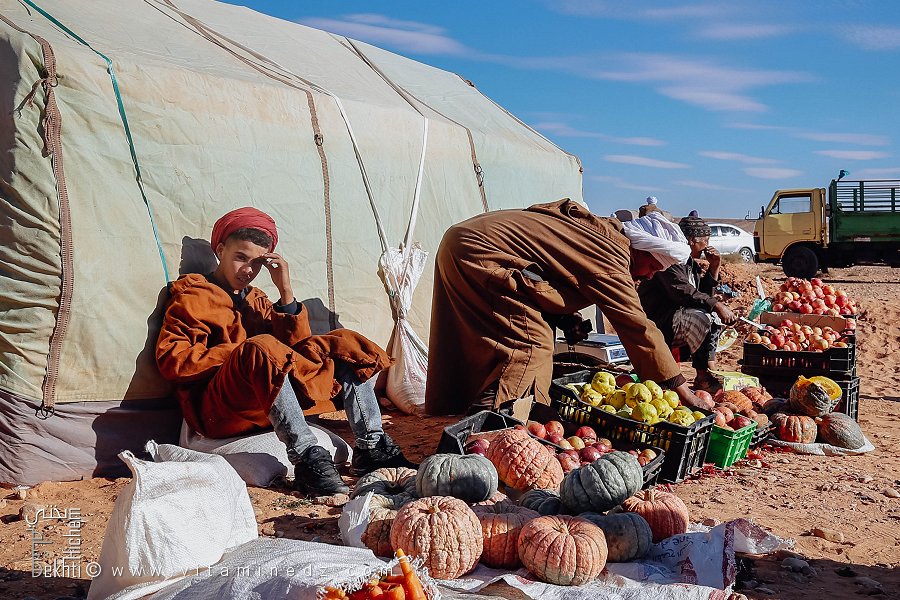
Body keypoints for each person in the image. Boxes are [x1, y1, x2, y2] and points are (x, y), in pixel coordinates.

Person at [156, 207, 415, 496]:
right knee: (261, 346)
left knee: (344, 343)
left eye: (256, 263)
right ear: (220, 250)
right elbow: (173, 361)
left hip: (266, 397)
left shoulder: (256, 300)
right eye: (240, 257)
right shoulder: (193, 296)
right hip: (218, 410)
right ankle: (306, 458)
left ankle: (371, 446)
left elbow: (295, 350)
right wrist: (241, 353)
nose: (248, 270)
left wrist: (285, 290)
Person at [424, 199, 714, 417]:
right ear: (640, 249)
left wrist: (566, 317)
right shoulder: (613, 255)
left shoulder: (603, 236)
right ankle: (492, 424)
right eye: (652, 267)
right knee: (531, 345)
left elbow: (549, 272)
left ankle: (492, 409)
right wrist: (682, 390)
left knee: (514, 335)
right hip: (479, 251)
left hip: (462, 241)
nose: (650, 276)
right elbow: (637, 326)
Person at [637, 215, 737, 389]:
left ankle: (708, 367)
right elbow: (683, 292)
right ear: (691, 240)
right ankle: (703, 375)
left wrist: (714, 267)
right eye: (705, 240)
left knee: (712, 314)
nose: (707, 245)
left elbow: (703, 295)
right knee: (703, 316)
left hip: (676, 319)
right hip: (659, 321)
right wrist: (717, 305)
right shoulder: (669, 261)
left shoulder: (690, 263)